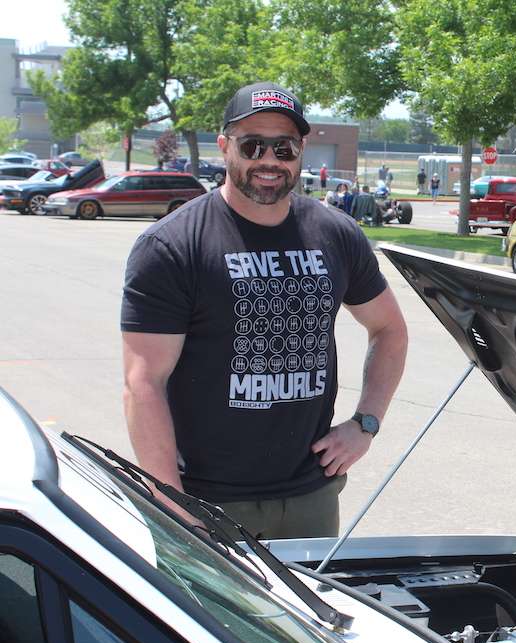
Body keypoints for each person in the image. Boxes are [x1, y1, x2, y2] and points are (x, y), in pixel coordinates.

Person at [120, 81, 408, 540]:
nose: (269, 160)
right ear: (224, 147)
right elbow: (143, 383)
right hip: (204, 499)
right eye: (252, 145)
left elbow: (390, 329)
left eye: (284, 146)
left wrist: (365, 423)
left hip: (310, 496)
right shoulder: (171, 246)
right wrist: (171, 503)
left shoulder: (336, 233)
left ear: (301, 150)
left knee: (312, 614)